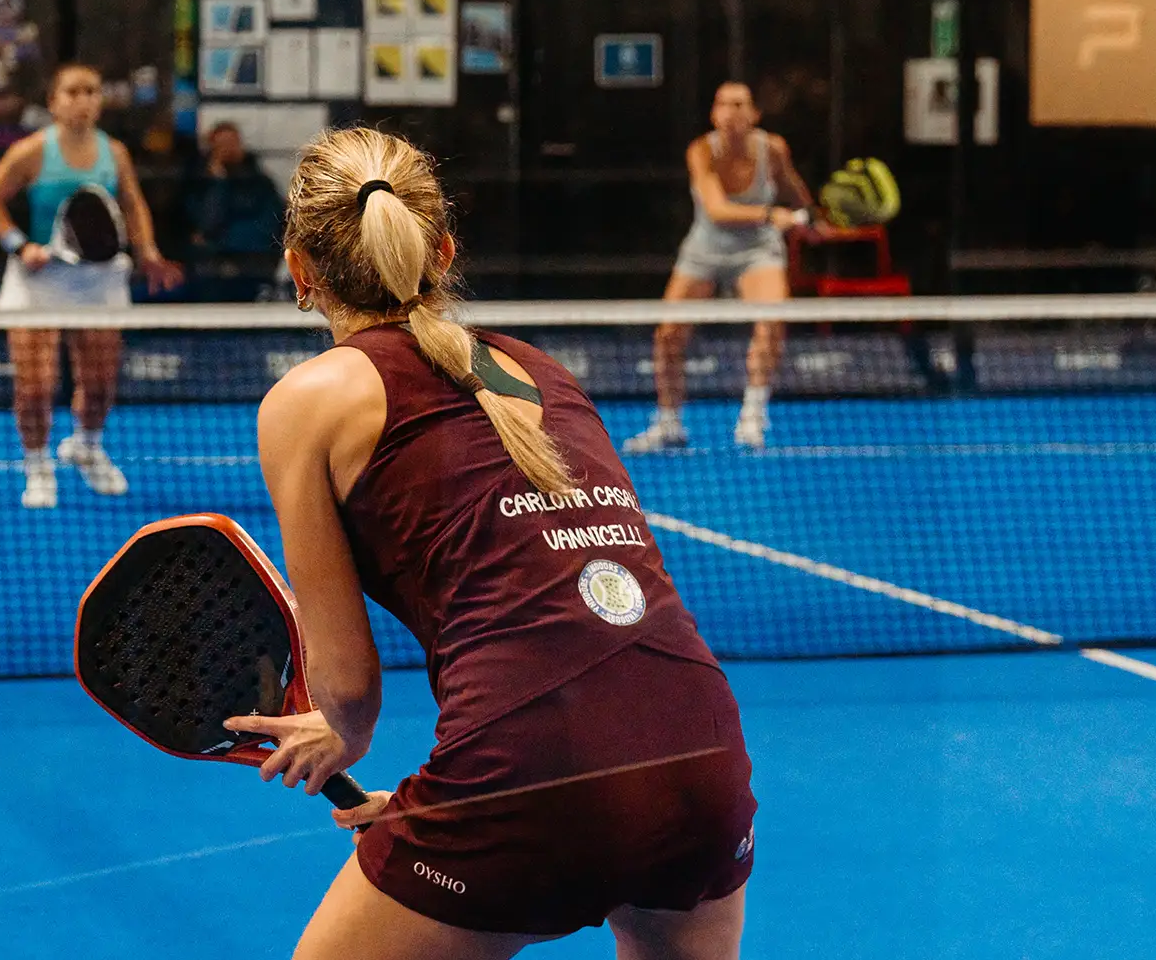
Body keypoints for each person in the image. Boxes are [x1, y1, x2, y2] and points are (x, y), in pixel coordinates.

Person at [221, 127, 755, 960]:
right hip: (701, 754)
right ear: (443, 250)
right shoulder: (544, 370)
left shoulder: (307, 401)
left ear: (300, 270)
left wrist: (351, 741)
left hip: (525, 769)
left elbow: (350, 687)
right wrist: (460, 799)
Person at [0, 62, 183, 509]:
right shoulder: (31, 151)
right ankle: (37, 465)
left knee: (101, 384)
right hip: (39, 279)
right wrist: (18, 245)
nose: (83, 100)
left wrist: (148, 252)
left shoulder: (115, 153)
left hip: (98, 280)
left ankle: (86, 446)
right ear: (53, 102)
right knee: (35, 387)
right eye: (72, 92)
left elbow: (132, 204)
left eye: (91, 91)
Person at [623, 82, 816, 452]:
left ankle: (752, 416)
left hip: (758, 251)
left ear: (754, 114)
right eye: (723, 104)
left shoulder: (773, 149)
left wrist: (812, 219)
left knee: (772, 321)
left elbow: (792, 187)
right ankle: (668, 423)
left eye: (740, 104)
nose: (731, 112)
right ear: (714, 114)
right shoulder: (701, 151)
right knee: (667, 335)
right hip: (705, 250)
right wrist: (771, 215)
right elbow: (717, 210)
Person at [182, 121, 287, 301]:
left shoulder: (260, 183)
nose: (228, 150)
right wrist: (218, 182)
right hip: (212, 269)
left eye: (232, 143)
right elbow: (204, 224)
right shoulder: (198, 185)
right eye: (222, 145)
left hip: (256, 264)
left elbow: (270, 224)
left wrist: (225, 240)